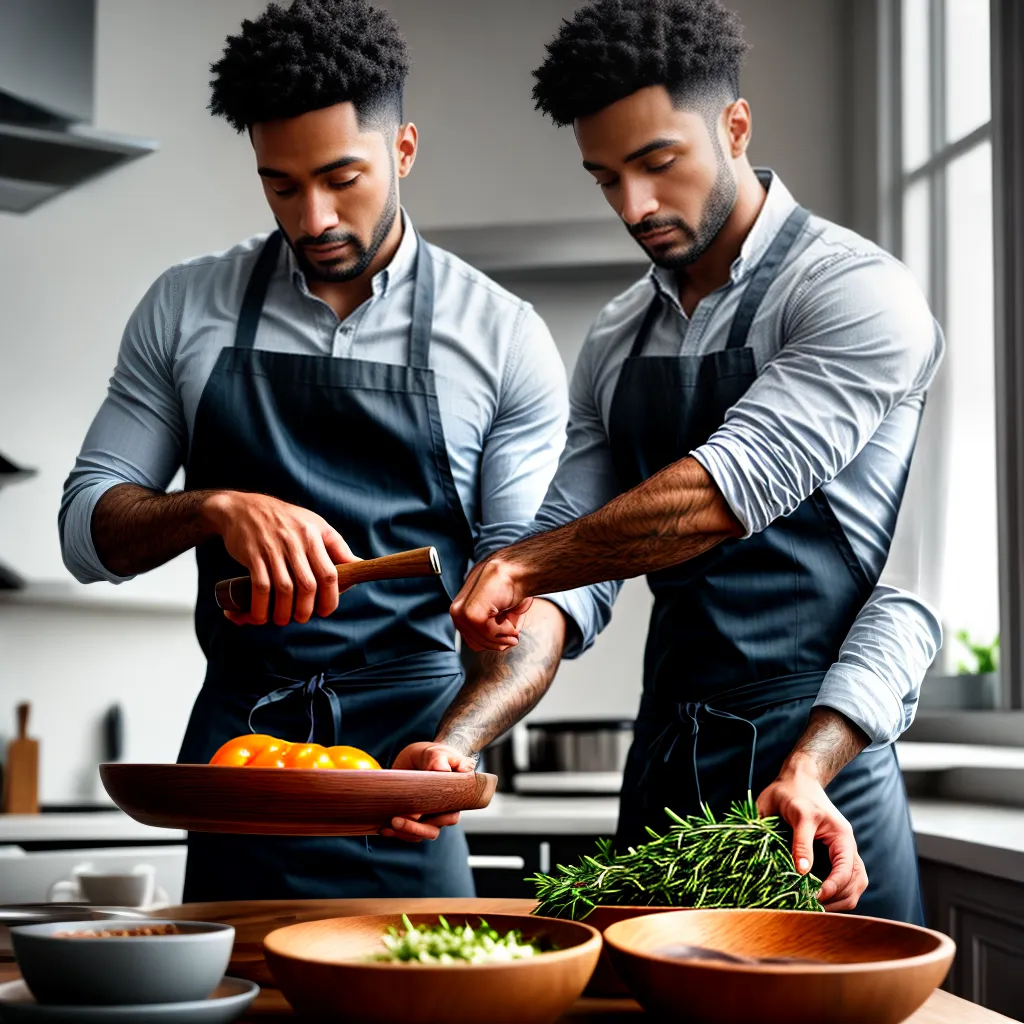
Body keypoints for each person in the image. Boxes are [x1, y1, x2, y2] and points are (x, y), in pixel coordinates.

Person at [58, 0, 572, 901]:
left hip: (407, 771)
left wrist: (455, 746)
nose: (316, 216)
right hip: (239, 765)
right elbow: (84, 531)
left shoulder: (501, 337)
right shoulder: (186, 308)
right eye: (281, 184)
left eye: (344, 177)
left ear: (403, 150)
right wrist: (212, 505)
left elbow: (523, 591)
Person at [447, 0, 944, 922]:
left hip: (812, 785)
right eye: (605, 178)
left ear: (736, 126)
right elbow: (567, 582)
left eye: (656, 163)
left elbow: (727, 492)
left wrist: (523, 562)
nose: (633, 206)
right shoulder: (614, 336)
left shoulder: (853, 291)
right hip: (665, 764)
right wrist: (463, 738)